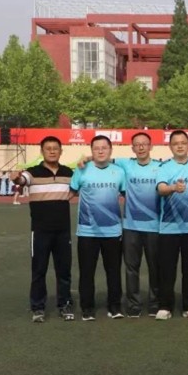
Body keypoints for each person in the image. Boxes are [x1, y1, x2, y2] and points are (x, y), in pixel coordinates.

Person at [10, 137, 75, 323]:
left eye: (55, 148)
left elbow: (77, 187)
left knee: (64, 271)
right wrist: (16, 177)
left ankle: (64, 304)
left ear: (61, 151)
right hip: (40, 231)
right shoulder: (32, 172)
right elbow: (22, 180)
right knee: (39, 270)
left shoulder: (68, 173)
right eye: (48, 148)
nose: (52, 151)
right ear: (42, 151)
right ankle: (38, 307)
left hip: (62, 231)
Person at [69, 135, 126, 321]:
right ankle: (87, 308)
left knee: (114, 271)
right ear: (91, 151)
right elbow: (71, 191)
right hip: (87, 231)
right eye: (96, 148)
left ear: (110, 150)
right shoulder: (81, 170)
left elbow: (126, 194)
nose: (100, 151)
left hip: (113, 230)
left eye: (104, 147)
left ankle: (115, 306)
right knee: (87, 272)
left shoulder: (119, 172)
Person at [155, 130, 188, 320]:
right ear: (170, 146)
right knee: (167, 269)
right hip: (169, 227)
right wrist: (173, 188)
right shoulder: (164, 167)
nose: (180, 146)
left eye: (183, 142)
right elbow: (161, 189)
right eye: (176, 143)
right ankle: (165, 306)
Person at [116, 132, 162, 318]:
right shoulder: (125, 164)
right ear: (132, 148)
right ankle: (133, 304)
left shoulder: (161, 166)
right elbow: (102, 158)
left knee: (155, 267)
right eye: (137, 144)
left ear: (151, 146)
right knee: (131, 268)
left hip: (155, 226)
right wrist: (85, 158)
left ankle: (155, 303)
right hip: (131, 227)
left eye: (144, 144)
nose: (141, 147)